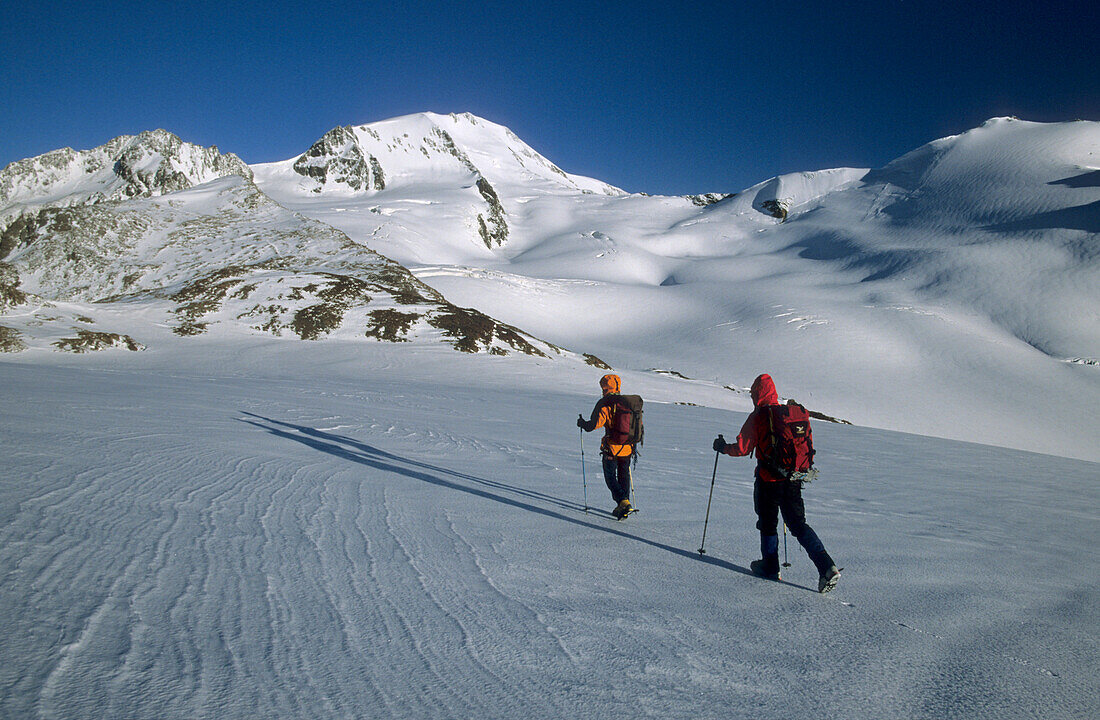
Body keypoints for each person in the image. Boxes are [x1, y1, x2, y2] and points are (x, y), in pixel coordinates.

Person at [712, 373, 841, 593]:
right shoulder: (789, 415)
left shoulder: (760, 416)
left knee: (768, 523)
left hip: (768, 480)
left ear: (756, 394)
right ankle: (827, 566)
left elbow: (742, 449)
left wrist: (722, 447)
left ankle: (770, 566)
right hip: (793, 479)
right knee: (798, 525)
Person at [577, 374, 634, 518]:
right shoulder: (629, 402)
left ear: (604, 387)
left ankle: (623, 502)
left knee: (610, 477)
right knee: (624, 475)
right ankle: (623, 505)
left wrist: (582, 423)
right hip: (628, 447)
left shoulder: (605, 403)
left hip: (612, 447)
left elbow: (593, 425)